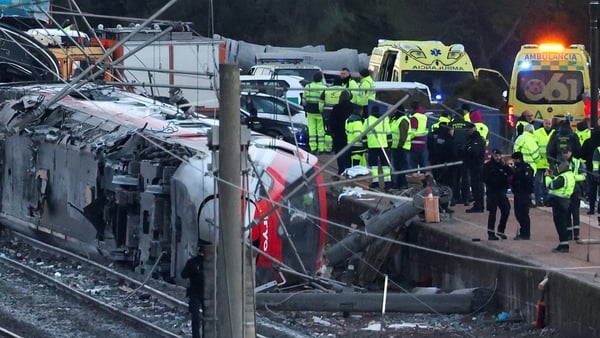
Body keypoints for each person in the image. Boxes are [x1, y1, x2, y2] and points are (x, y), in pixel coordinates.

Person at [545, 162, 575, 253]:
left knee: (560, 224)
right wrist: (553, 176)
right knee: (563, 223)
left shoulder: (563, 177)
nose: (557, 168)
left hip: (559, 202)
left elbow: (551, 185)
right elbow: (559, 183)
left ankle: (564, 245)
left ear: (562, 167)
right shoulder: (569, 175)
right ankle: (563, 244)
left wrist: (547, 177)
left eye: (558, 167)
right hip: (566, 201)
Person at [481, 149, 512, 239]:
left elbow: (511, 172)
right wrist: (493, 180)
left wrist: (504, 165)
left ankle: (501, 230)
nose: (498, 158)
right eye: (496, 156)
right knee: (492, 213)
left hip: (501, 191)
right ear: (492, 156)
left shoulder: (502, 165)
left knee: (506, 209)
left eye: (499, 155)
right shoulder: (487, 166)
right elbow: (483, 178)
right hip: (492, 192)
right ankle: (491, 234)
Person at [363, 105, 391, 189]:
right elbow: (389, 134)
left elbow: (363, 135)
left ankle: (375, 183)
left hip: (372, 146)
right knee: (385, 166)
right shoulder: (384, 120)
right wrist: (389, 145)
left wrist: (366, 145)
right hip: (384, 145)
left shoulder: (367, 121)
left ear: (371, 112)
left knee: (374, 166)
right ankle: (388, 184)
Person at [181, 245, 206, 338]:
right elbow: (184, 274)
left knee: (206, 318)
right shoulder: (192, 262)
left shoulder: (209, 263)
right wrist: (194, 271)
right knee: (196, 317)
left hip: (206, 293)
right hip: (195, 292)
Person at [562, 148, 585, 241]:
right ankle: (568, 234)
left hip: (575, 190)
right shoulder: (561, 162)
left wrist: (573, 177)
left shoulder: (577, 163)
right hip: (566, 191)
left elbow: (583, 176)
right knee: (566, 212)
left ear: (571, 152)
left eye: (566, 153)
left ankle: (576, 234)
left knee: (575, 212)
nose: (565, 155)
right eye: (563, 153)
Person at [328, 90, 353, 174]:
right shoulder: (353, 107)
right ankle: (349, 169)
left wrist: (332, 132)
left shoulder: (336, 107)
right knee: (349, 152)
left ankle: (341, 169)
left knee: (339, 153)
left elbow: (332, 121)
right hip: (349, 134)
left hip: (338, 134)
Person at [511, 151, 535, 240]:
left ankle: (525, 234)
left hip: (524, 194)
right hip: (518, 193)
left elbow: (527, 180)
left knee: (523, 214)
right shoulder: (517, 167)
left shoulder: (525, 168)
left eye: (514, 159)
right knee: (518, 214)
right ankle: (522, 231)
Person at [302, 71, 327, 153]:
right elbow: (323, 101)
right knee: (320, 130)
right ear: (321, 79)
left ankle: (313, 148)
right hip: (319, 111)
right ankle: (321, 148)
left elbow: (304, 99)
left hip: (310, 111)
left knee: (312, 129)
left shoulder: (308, 86)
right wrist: (322, 110)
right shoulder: (324, 88)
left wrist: (305, 108)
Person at [464, 124, 486, 213]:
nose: (467, 132)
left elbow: (474, 152)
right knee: (475, 186)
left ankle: (479, 205)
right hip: (474, 166)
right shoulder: (472, 139)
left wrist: (468, 149)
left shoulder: (477, 140)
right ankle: (478, 204)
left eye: (468, 130)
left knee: (477, 186)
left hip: (477, 166)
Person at [533, 118, 555, 206]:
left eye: (550, 123)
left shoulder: (554, 133)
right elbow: (534, 146)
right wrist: (537, 157)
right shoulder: (537, 133)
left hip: (549, 162)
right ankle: (538, 200)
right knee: (538, 182)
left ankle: (547, 200)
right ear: (543, 123)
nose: (548, 125)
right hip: (539, 161)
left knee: (548, 182)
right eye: (546, 123)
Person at [389, 105, 411, 189]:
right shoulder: (395, 120)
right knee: (397, 167)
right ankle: (398, 183)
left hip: (402, 147)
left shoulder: (403, 120)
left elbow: (403, 135)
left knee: (402, 167)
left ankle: (403, 184)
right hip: (395, 147)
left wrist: (400, 145)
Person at [408, 101, 429, 169]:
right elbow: (426, 130)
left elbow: (413, 131)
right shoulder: (424, 116)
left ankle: (415, 178)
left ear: (412, 108)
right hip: (422, 142)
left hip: (414, 142)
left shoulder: (414, 117)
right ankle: (424, 177)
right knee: (422, 162)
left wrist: (408, 138)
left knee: (414, 163)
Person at [584, 129, 600, 214]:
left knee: (592, 189)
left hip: (590, 168)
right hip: (597, 169)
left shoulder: (588, 142)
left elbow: (582, 154)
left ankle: (592, 208)